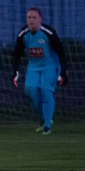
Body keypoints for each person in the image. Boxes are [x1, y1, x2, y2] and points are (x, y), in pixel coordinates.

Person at [12, 7, 68, 135]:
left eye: (34, 17)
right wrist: (15, 71)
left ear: (40, 19)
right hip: (33, 67)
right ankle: (45, 118)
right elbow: (17, 53)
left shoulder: (48, 32)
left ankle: (47, 125)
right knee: (30, 91)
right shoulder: (23, 34)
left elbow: (61, 51)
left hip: (50, 65)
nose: (31, 20)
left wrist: (64, 71)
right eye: (29, 18)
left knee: (45, 92)